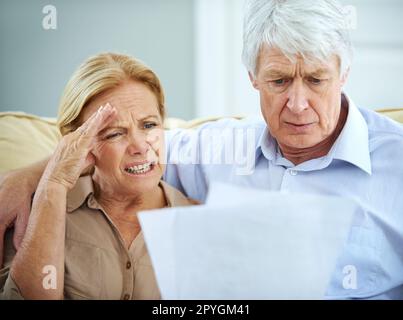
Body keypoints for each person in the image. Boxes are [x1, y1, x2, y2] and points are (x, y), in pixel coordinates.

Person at [1, 0, 403, 299]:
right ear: (253, 78)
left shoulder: (396, 162)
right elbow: (129, 147)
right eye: (279, 81)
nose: (297, 104)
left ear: (343, 73)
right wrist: (32, 175)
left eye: (316, 80)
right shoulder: (217, 149)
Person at [0, 52, 197, 299]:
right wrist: (54, 185)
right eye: (115, 133)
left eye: (149, 125)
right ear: (78, 142)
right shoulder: (34, 213)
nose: (140, 146)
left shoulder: (199, 223)